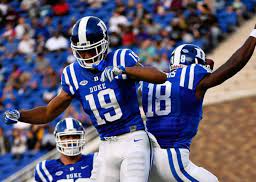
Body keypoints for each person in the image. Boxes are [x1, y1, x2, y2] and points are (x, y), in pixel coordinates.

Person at [4, 16, 167, 182]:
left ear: (104, 44)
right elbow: (48, 112)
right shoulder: (73, 74)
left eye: (92, 50)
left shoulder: (120, 58)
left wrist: (124, 71)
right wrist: (21, 115)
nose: (87, 55)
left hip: (133, 138)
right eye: (82, 51)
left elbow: (159, 77)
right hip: (106, 144)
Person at [140, 14, 256, 182]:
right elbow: (234, 64)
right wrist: (255, 31)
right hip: (172, 158)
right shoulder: (191, 77)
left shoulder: (151, 81)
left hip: (147, 159)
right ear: (194, 63)